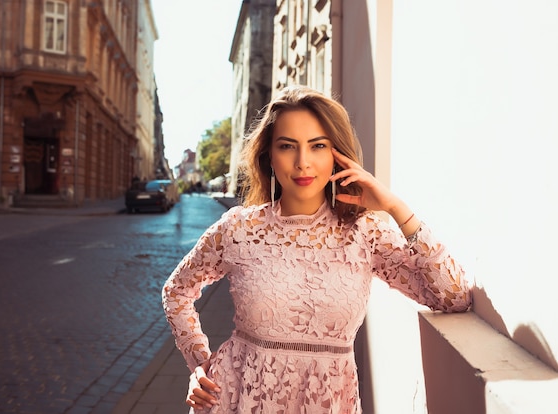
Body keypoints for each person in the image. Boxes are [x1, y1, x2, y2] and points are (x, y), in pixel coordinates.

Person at [162, 85, 472, 413]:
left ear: (336, 153)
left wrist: (396, 208)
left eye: (318, 146)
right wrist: (201, 364)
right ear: (269, 154)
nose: (302, 162)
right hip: (236, 400)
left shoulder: (365, 233)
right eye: (287, 146)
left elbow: (452, 297)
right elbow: (176, 292)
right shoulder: (239, 229)